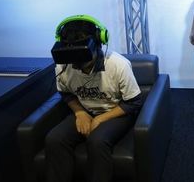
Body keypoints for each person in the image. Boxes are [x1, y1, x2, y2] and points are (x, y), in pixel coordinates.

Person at [46, 15, 143, 182]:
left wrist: (101, 118)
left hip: (117, 111)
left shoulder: (118, 65)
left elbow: (134, 102)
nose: (77, 64)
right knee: (54, 139)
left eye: (82, 58)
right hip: (85, 110)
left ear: (99, 41)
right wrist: (79, 113)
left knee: (97, 141)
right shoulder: (63, 65)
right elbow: (65, 93)